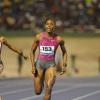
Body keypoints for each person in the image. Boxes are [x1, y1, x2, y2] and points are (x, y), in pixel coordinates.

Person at [30, 16, 67, 100]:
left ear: (54, 26)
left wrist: (64, 65)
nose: (49, 26)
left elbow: (65, 53)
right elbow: (31, 51)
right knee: (37, 91)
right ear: (44, 25)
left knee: (49, 88)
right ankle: (42, 78)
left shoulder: (59, 39)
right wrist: (32, 66)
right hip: (39, 64)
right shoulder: (38, 37)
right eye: (47, 24)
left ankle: (46, 80)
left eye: (51, 24)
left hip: (51, 65)